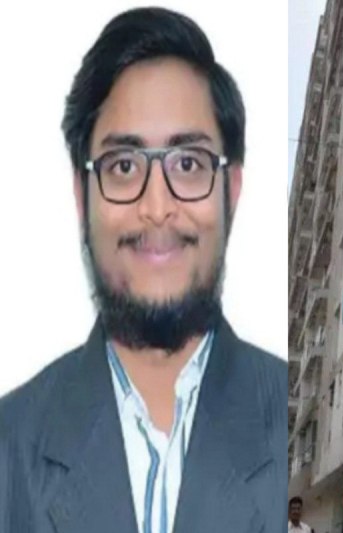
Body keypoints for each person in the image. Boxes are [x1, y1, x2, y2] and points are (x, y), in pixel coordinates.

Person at [0, 7, 287, 533]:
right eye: (124, 166)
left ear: (232, 190)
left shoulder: (291, 421)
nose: (157, 207)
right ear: (82, 195)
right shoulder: (10, 446)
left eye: (188, 163)